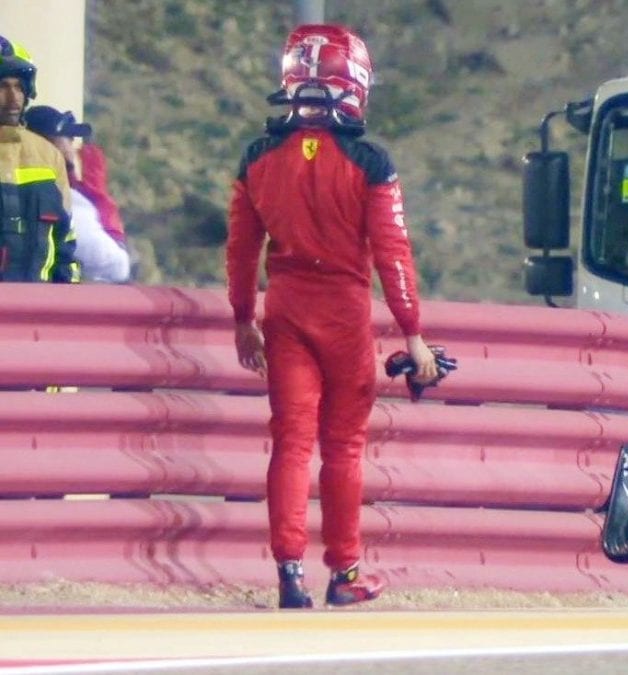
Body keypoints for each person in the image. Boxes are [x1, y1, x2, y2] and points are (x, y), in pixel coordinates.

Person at [225, 24, 439, 609]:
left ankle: (289, 573)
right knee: (343, 447)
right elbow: (393, 254)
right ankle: (343, 572)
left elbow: (241, 251)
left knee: (290, 443)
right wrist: (413, 333)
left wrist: (244, 318)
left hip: (285, 308)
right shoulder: (370, 160)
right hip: (344, 312)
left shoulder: (258, 157)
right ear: (356, 82)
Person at [0, 36, 79, 283]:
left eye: (19, 87)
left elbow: (64, 241)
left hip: (35, 311)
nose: (13, 98)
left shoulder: (48, 156)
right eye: (2, 86)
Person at [24, 105, 131, 283]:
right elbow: (116, 266)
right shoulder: (63, 199)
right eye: (68, 138)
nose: (73, 146)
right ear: (51, 144)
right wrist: (113, 232)